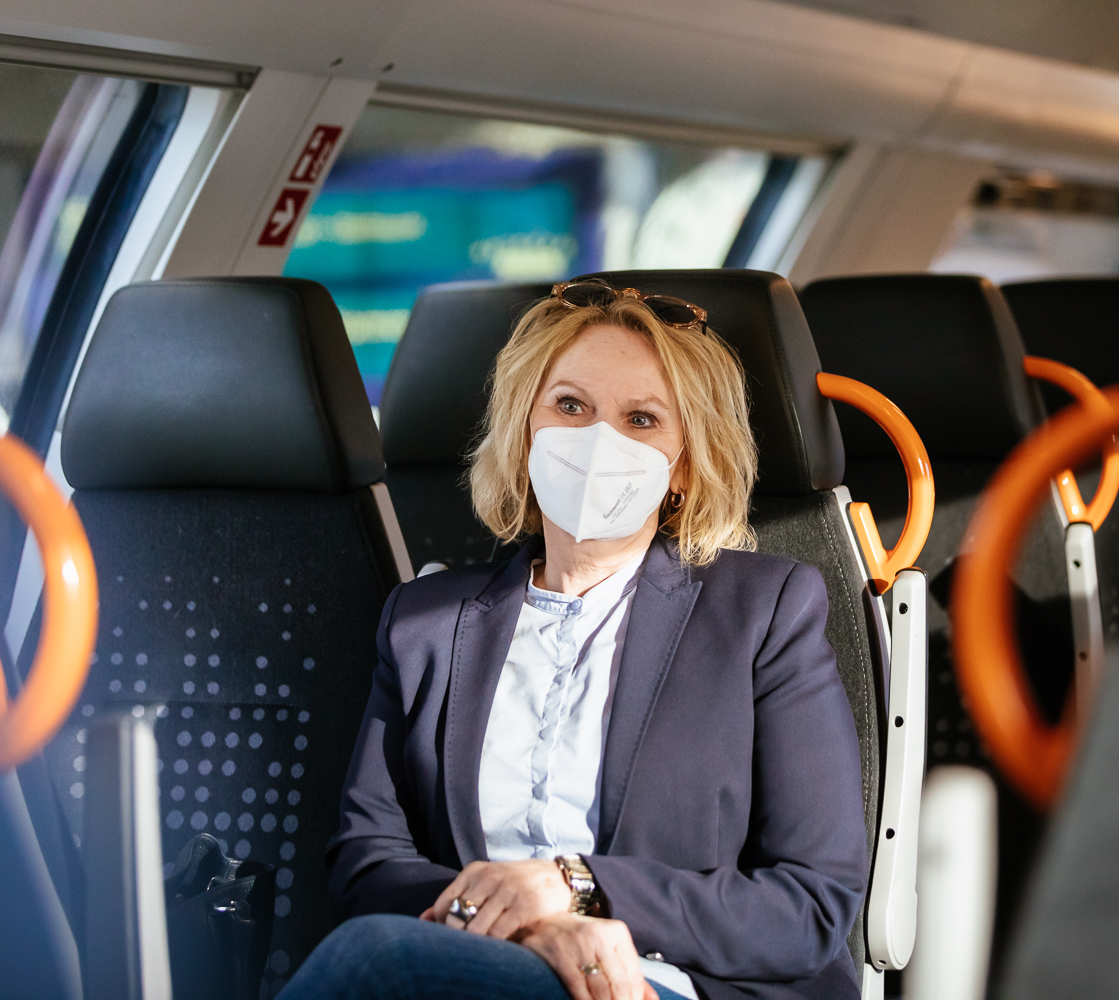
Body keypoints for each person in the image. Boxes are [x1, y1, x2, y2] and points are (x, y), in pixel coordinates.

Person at [279, 280, 867, 1000]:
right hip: (477, 968)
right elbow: (370, 860)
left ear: (683, 467)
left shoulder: (765, 611)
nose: (598, 441)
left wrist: (577, 891)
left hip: (675, 986)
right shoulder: (423, 621)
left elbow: (811, 903)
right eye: (570, 406)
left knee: (378, 961)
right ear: (526, 427)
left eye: (642, 419)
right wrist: (524, 928)